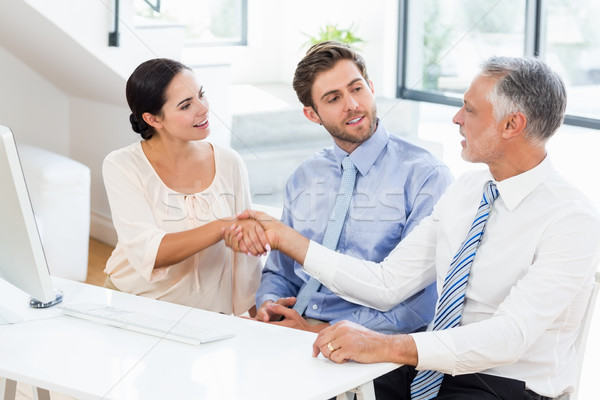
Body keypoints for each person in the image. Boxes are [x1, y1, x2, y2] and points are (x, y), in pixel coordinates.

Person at [226, 56, 600, 399]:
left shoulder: (571, 220)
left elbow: (510, 337)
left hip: (505, 384)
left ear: (511, 124)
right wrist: (287, 239)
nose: (456, 118)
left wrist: (387, 345)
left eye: (469, 109)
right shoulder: (468, 191)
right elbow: (388, 284)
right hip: (428, 369)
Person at [254, 40, 452, 335]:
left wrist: (322, 330)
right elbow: (279, 272)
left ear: (370, 87)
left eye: (356, 88)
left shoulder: (426, 176)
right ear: (312, 114)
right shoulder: (303, 177)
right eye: (333, 98)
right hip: (290, 333)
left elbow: (419, 304)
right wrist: (270, 307)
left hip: (375, 348)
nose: (352, 104)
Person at [102, 58, 266, 316]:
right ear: (153, 119)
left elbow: (245, 258)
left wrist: (257, 315)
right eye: (186, 105)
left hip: (210, 314)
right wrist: (224, 226)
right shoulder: (122, 165)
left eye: (201, 95)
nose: (203, 108)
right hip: (136, 305)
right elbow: (150, 252)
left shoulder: (229, 162)